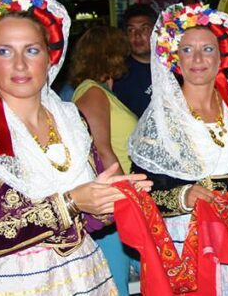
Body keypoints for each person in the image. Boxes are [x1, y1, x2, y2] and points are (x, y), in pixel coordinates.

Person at [0, 0, 150, 295]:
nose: (20, 64)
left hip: (84, 270)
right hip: (16, 281)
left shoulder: (70, 120)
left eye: (31, 50)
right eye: (5, 51)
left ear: (49, 57)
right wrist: (73, 202)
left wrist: (107, 203)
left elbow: (88, 219)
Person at [129, 2, 228, 295]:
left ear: (222, 56)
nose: (198, 59)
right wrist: (184, 195)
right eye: (187, 50)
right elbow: (140, 187)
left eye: (207, 49)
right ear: (175, 57)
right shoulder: (162, 117)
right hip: (186, 233)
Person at [68, 25, 139, 292]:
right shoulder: (92, 92)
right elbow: (101, 149)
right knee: (115, 285)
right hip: (113, 204)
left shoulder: (101, 91)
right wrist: (130, 201)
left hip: (118, 200)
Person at [114, 3, 157, 116]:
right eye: (131, 30)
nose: (137, 35)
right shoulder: (118, 74)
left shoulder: (171, 67)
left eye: (144, 29)